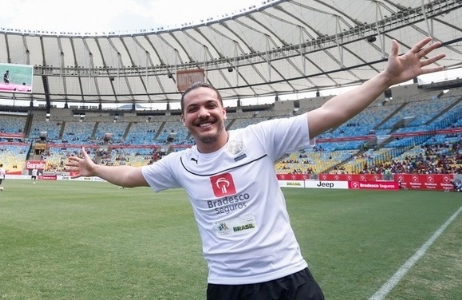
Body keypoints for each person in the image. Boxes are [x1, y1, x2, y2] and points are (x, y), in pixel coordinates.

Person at [66, 37, 445, 300]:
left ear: (223, 110)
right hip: (229, 287)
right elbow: (132, 178)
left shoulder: (261, 138)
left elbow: (331, 113)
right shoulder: (180, 163)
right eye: (193, 109)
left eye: (209, 105)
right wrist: (96, 168)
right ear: (184, 119)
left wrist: (385, 79)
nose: (203, 113)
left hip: (289, 279)